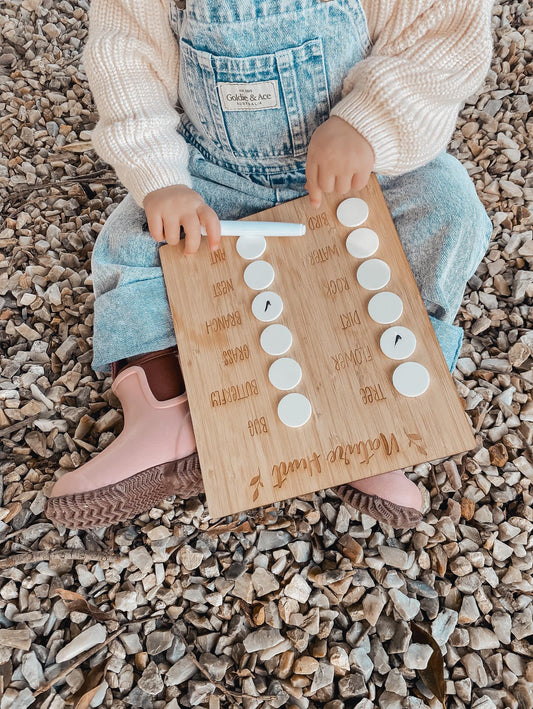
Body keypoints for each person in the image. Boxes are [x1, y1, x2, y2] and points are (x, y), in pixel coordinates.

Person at [45, 0, 494, 531]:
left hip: (357, 173)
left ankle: (383, 412)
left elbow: (442, 34)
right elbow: (127, 54)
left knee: (448, 206)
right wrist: (160, 177)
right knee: (136, 233)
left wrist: (370, 123)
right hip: (215, 171)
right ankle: (165, 410)